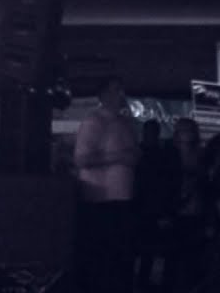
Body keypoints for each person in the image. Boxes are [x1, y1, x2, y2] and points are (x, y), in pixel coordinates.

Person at [74, 76, 140, 293]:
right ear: (103, 95)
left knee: (120, 257)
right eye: (115, 90)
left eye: (121, 89)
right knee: (103, 257)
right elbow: (81, 159)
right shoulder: (94, 122)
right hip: (101, 201)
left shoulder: (124, 123)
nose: (121, 94)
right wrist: (118, 157)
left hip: (122, 199)